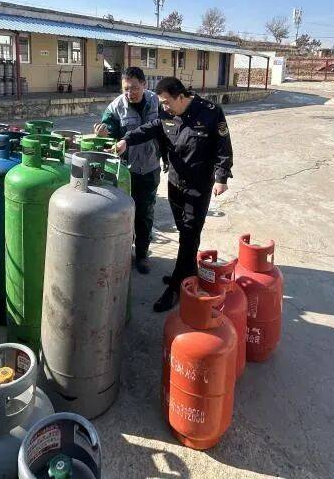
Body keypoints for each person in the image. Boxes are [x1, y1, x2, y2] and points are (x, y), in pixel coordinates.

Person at [114, 76, 233, 312]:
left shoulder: (211, 112)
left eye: (167, 102)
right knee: (184, 231)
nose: (164, 107)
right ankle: (189, 272)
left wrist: (222, 177)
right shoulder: (167, 111)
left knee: (189, 234)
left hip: (198, 185)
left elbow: (223, 146)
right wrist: (127, 140)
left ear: (181, 96)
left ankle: (176, 287)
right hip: (175, 182)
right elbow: (152, 127)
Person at [94, 67, 165, 274]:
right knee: (123, 214)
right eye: (125, 88)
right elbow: (108, 137)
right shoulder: (116, 107)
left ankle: (142, 255)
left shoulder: (157, 102)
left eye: (134, 88)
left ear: (144, 84)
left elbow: (168, 129)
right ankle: (124, 253)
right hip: (125, 172)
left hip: (150, 168)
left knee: (145, 213)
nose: (129, 93)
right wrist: (103, 134)